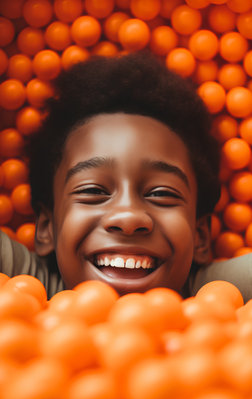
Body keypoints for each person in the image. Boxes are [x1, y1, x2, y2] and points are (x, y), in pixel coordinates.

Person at [0, 50, 228, 299]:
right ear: (47, 228)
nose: (128, 218)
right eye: (93, 191)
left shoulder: (218, 295)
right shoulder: (28, 288)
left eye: (161, 193)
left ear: (199, 237)